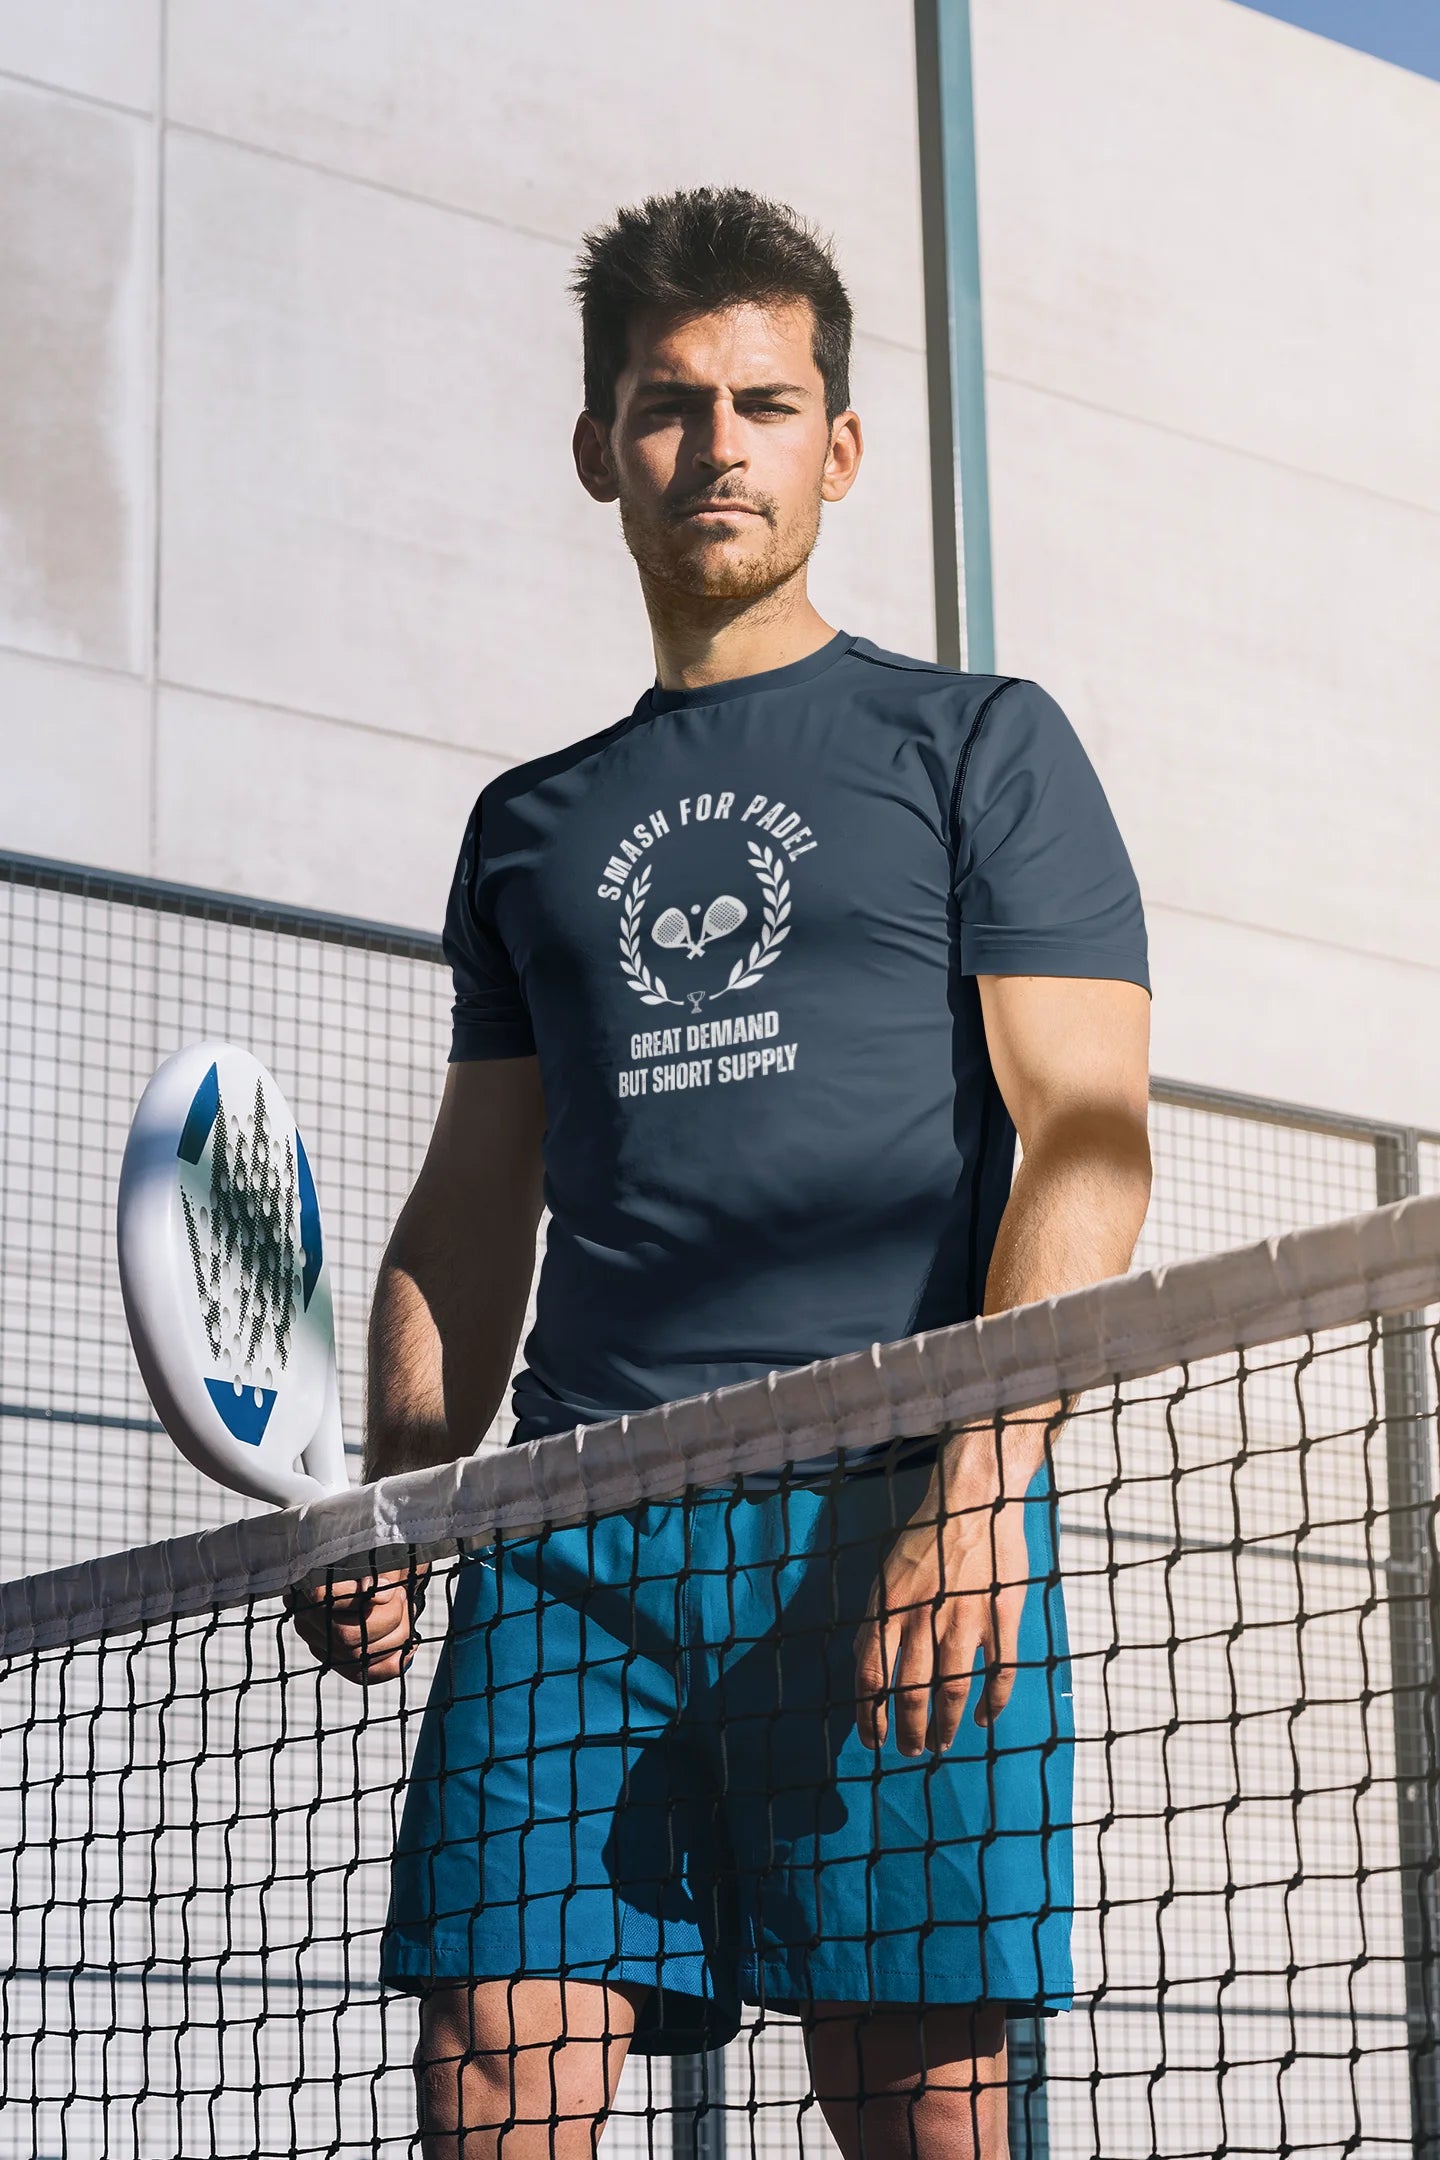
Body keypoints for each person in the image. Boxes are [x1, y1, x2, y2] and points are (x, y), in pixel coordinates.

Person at [289, 186, 1152, 2160]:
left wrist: (977, 1488)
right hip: (575, 1527)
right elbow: (466, 1207)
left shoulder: (983, 747)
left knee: (918, 2100)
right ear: (601, 448)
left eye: (766, 401)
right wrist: (400, 1492)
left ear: (838, 446)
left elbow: (1089, 1148)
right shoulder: (528, 827)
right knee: (491, 2071)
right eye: (671, 405)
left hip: (891, 1499)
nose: (717, 444)